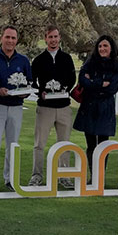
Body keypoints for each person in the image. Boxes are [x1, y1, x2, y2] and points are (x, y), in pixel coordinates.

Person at [0, 25, 32, 191]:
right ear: (1, 38)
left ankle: (10, 179)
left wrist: (25, 94)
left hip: (16, 108)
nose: (10, 41)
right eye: (7, 37)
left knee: (13, 145)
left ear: (17, 41)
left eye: (13, 38)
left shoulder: (23, 61)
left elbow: (29, 84)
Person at [28, 25, 76, 188]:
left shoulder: (67, 58)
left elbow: (71, 79)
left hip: (63, 107)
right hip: (45, 107)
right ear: (45, 38)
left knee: (64, 143)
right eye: (50, 37)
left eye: (56, 36)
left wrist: (65, 90)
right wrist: (41, 92)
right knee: (39, 144)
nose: (53, 40)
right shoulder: (39, 60)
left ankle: (64, 176)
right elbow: (33, 81)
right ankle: (36, 175)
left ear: (59, 37)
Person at [73, 35, 118, 183]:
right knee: (91, 145)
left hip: (105, 109)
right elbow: (82, 81)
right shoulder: (90, 63)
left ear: (111, 48)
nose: (102, 49)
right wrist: (100, 83)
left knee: (103, 145)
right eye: (100, 46)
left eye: (105, 46)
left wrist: (93, 82)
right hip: (89, 107)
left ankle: (100, 177)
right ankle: (93, 176)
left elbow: (112, 88)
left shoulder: (116, 66)